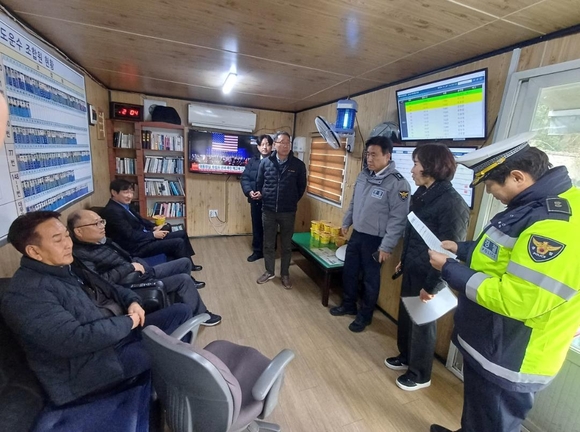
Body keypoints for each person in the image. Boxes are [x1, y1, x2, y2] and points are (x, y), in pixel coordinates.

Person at [427, 132, 580, 432]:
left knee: (492, 421)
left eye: (491, 186)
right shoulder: (533, 207)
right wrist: (462, 249)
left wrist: (450, 269)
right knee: (479, 414)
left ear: (518, 177)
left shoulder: (555, 225)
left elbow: (517, 298)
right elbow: (501, 253)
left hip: (514, 353)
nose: (491, 194)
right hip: (493, 341)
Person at [0, 211, 194, 406]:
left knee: (181, 312)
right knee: (172, 357)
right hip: (92, 370)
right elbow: (75, 340)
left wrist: (132, 302)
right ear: (34, 251)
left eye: (67, 235)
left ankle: (171, 381)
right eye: (58, 240)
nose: (68, 244)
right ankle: (181, 401)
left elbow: (110, 287)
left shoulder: (65, 267)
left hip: (114, 336)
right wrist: (128, 322)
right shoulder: (26, 294)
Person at [384, 144, 469, 391]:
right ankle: (406, 357)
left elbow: (448, 252)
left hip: (431, 275)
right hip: (413, 266)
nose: (412, 170)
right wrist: (404, 259)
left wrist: (432, 287)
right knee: (407, 318)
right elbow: (413, 232)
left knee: (422, 324)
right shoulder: (422, 194)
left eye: (416, 164)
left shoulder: (452, 204)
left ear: (431, 167)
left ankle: (420, 374)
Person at [67, 209, 221, 326]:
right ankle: (201, 315)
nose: (101, 226)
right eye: (95, 224)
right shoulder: (81, 255)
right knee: (184, 280)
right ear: (78, 231)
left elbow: (126, 256)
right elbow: (102, 283)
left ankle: (181, 300)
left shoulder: (102, 241)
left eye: (102, 222)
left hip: (141, 272)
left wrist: (138, 264)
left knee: (184, 263)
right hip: (132, 284)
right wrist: (130, 267)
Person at [330, 136, 410, 332]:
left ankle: (365, 316)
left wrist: (387, 246)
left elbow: (398, 219)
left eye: (374, 155)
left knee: (370, 279)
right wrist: (346, 222)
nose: (369, 159)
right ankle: (348, 304)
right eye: (368, 154)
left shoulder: (398, 184)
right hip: (357, 234)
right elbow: (354, 202)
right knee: (349, 271)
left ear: (387, 156)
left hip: (376, 240)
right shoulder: (364, 175)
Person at [102, 179, 202, 270]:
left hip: (144, 237)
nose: (130, 196)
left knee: (181, 233)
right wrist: (153, 235)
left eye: (131, 192)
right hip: (136, 247)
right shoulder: (112, 211)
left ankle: (190, 264)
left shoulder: (124, 205)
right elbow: (130, 235)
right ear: (114, 192)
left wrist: (154, 227)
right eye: (126, 192)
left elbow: (141, 220)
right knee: (178, 242)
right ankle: (185, 270)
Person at [255, 132, 307, 289]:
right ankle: (269, 271)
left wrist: (290, 200)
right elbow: (259, 183)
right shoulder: (265, 163)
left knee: (286, 245)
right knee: (268, 243)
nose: (285, 145)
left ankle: (285, 274)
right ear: (275, 145)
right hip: (268, 210)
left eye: (288, 142)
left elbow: (301, 188)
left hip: (288, 211)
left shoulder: (298, 165)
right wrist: (266, 197)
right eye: (282, 142)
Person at [241, 134, 273, 262]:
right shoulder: (252, 161)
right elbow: (245, 178)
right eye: (262, 144)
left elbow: (275, 183)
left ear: (271, 146)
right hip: (255, 200)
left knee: (270, 227)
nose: (265, 147)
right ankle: (257, 251)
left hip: (270, 201)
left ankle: (270, 251)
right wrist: (249, 192)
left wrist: (263, 193)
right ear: (258, 147)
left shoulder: (276, 162)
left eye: (268, 144)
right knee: (257, 226)